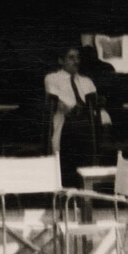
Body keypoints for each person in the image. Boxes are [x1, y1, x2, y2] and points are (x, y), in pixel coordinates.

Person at [43, 43, 110, 182]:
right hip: (67, 123)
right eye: (71, 58)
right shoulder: (52, 78)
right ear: (61, 61)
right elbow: (59, 103)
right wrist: (78, 109)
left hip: (90, 125)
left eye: (78, 58)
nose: (76, 61)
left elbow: (96, 106)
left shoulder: (87, 81)